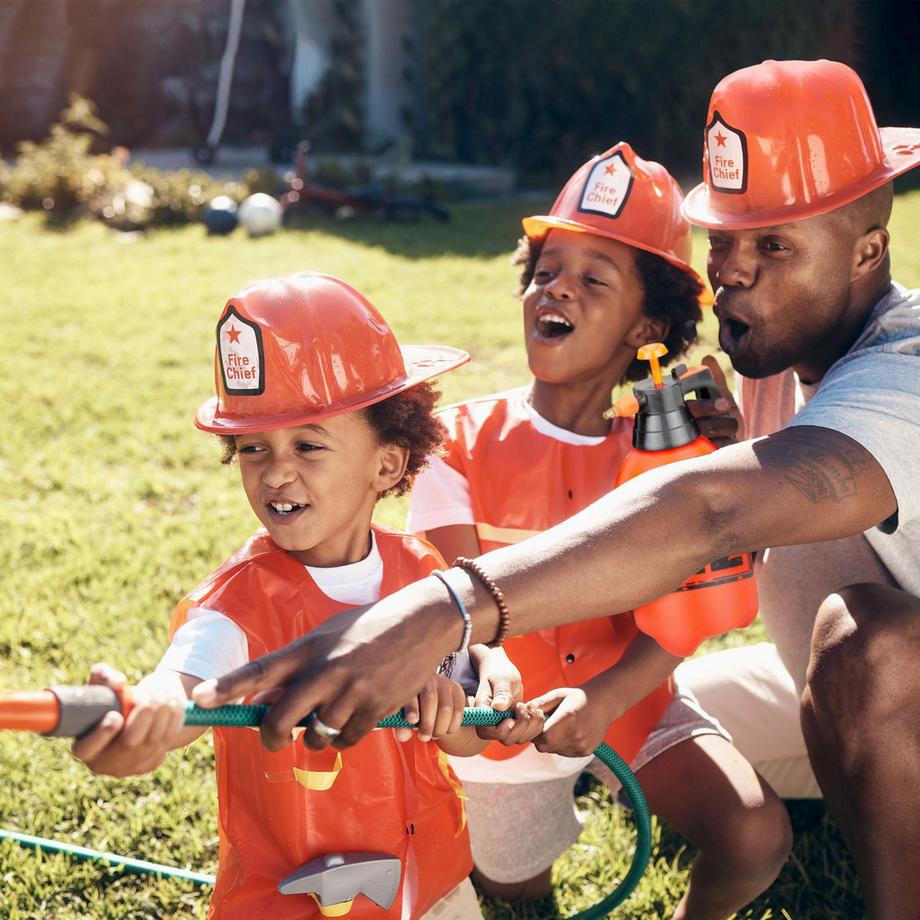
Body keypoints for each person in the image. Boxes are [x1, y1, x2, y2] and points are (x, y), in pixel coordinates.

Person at [196, 61, 920, 919]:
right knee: (712, 714)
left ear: (868, 248)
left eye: (775, 246)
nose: (732, 271)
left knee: (864, 650)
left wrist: (439, 609)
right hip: (765, 685)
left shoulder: (903, 370)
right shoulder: (770, 364)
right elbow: (708, 574)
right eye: (723, 238)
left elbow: (709, 510)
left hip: (884, 671)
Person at [71, 272, 544, 919]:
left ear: (387, 462)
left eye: (308, 444)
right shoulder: (236, 604)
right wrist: (144, 717)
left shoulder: (422, 573)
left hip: (435, 889)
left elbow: (464, 740)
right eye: (252, 447)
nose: (275, 470)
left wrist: (471, 696)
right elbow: (183, 687)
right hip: (298, 902)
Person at [405, 142, 791, 917]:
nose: (556, 290)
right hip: (498, 715)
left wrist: (609, 699)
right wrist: (492, 679)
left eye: (592, 279)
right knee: (519, 894)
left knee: (756, 838)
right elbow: (452, 600)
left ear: (646, 324)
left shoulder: (667, 454)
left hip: (630, 691)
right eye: (546, 272)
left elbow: (691, 611)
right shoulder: (459, 441)